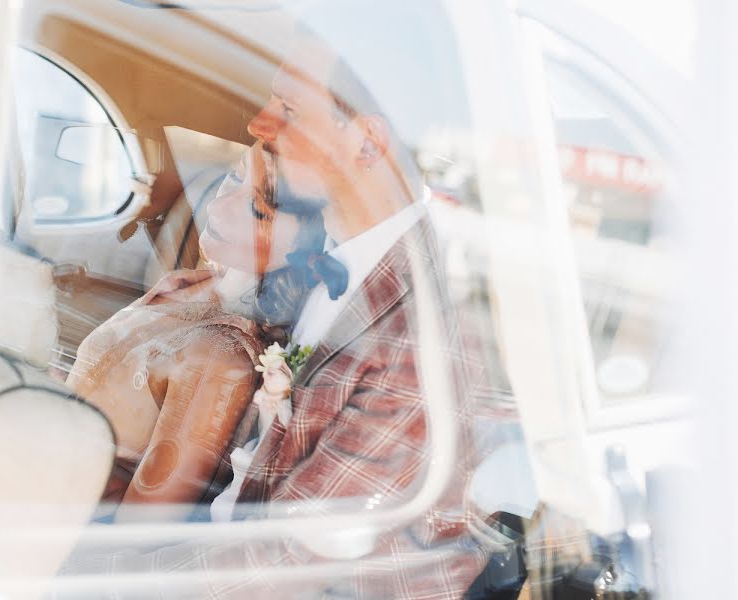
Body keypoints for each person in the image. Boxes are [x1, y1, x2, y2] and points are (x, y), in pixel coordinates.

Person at [63, 3, 495, 597]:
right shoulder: (331, 271)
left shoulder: (417, 342)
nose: (258, 126)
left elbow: (282, 570)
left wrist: (59, 579)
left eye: (289, 109)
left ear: (368, 144)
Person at [65, 142, 325, 519]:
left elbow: (141, 529)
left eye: (258, 209)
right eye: (235, 175)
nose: (218, 206)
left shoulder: (219, 357)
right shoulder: (190, 286)